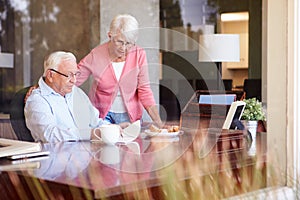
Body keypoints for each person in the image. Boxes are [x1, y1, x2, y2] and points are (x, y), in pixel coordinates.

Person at [76, 14, 163, 127]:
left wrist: (159, 123)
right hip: (101, 117)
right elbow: (72, 80)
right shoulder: (96, 55)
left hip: (129, 116)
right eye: (120, 42)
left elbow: (144, 90)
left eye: (129, 43)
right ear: (110, 36)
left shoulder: (139, 54)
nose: (124, 48)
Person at [24, 51, 126, 143]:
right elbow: (50, 135)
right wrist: (91, 134)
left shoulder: (76, 93)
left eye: (76, 74)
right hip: (57, 160)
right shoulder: (37, 100)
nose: (74, 80)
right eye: (69, 75)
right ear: (51, 75)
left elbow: (95, 121)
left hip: (86, 156)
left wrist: (112, 128)